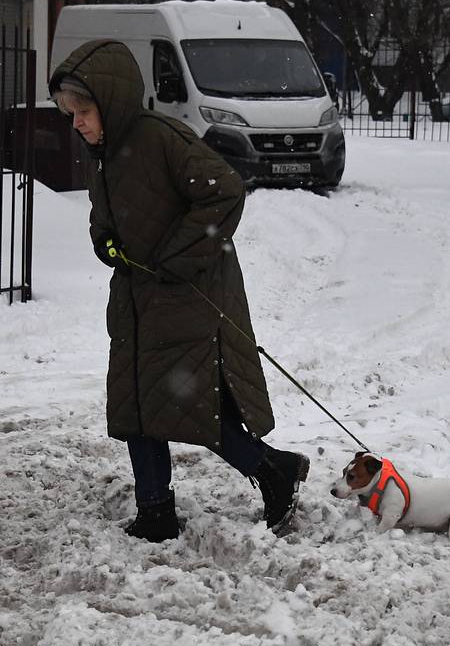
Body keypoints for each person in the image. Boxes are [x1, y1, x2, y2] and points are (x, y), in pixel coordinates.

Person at [48, 39, 310, 542]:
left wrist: (175, 257)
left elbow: (225, 192)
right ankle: (156, 512)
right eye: (69, 113)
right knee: (135, 406)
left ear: (111, 100)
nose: (76, 122)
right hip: (134, 298)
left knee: (187, 406)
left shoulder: (160, 137)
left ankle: (273, 469)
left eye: (83, 110)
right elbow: (105, 217)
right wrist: (104, 241)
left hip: (186, 293)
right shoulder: (100, 152)